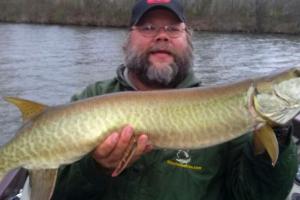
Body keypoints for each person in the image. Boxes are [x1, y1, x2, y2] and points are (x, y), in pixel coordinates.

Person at [51, 0, 298, 199]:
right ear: (128, 39)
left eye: (173, 28)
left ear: (188, 38)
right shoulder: (92, 97)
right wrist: (95, 169)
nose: (161, 36)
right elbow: (57, 193)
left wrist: (278, 135)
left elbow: (257, 195)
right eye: (148, 28)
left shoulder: (232, 110)